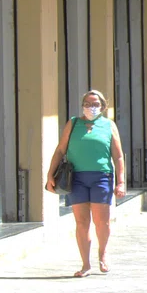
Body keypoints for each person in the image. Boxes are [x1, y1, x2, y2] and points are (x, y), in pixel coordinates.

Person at [46, 90, 127, 277]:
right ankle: (85, 264)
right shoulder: (73, 123)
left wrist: (121, 181)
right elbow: (60, 150)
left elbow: (118, 155)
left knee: (102, 222)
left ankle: (103, 254)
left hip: (101, 177)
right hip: (77, 178)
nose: (92, 107)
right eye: (88, 103)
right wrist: (51, 174)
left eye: (96, 104)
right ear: (82, 105)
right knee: (82, 222)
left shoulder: (108, 125)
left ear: (103, 106)